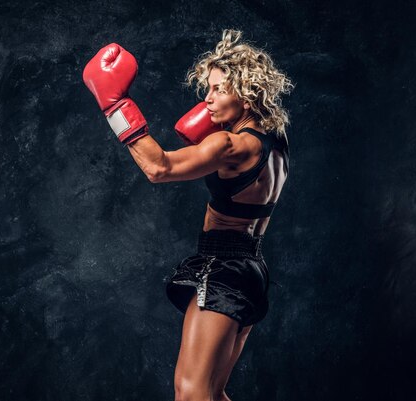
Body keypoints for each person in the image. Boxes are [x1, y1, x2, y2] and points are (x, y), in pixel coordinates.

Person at [83, 29, 293, 401]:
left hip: (223, 267)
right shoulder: (275, 140)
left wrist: (115, 105)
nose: (208, 100)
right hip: (252, 269)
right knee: (215, 391)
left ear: (246, 95)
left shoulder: (229, 144)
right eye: (207, 89)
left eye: (218, 89)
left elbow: (158, 168)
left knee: (190, 392)